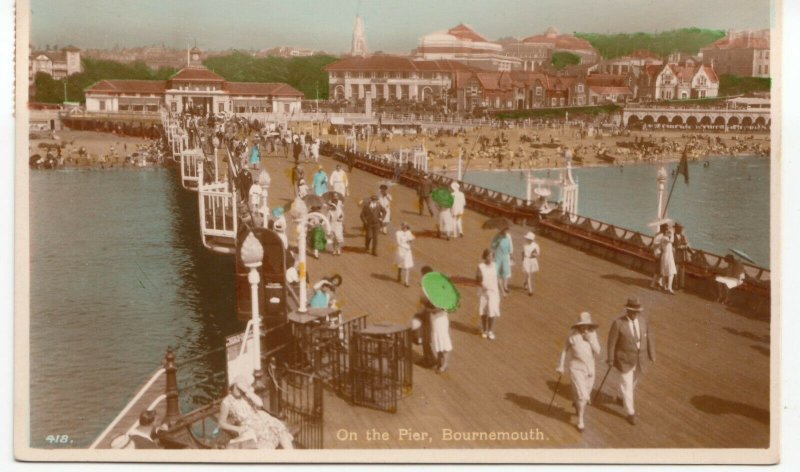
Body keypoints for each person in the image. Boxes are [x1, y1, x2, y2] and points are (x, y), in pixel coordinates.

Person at [606, 297, 655, 426]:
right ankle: (630, 412)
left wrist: (652, 354)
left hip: (640, 359)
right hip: (624, 360)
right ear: (627, 310)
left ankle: (621, 397)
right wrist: (610, 358)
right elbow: (611, 343)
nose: (635, 314)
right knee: (627, 386)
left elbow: (648, 337)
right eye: (632, 311)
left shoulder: (643, 322)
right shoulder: (618, 324)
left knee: (632, 383)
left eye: (637, 311)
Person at [218, 374, 294, 449]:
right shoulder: (227, 401)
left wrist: (246, 390)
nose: (239, 390)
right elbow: (221, 423)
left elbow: (260, 404)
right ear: (233, 386)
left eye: (241, 388)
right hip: (249, 425)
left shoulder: (246, 395)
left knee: (280, 430)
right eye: (237, 387)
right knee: (266, 441)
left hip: (262, 418)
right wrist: (237, 429)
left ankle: (292, 456)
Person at [556, 312, 601, 433]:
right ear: (578, 326)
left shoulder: (592, 334)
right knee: (583, 396)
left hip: (590, 369)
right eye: (582, 325)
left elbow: (598, 351)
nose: (584, 328)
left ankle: (576, 404)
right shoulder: (572, 335)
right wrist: (561, 365)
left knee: (584, 394)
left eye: (587, 325)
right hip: (576, 368)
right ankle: (581, 420)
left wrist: (590, 340)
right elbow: (565, 350)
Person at [476, 249, 501, 340]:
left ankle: (490, 331)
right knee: (484, 312)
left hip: (494, 293)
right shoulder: (480, 266)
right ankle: (484, 329)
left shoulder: (495, 266)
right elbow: (477, 279)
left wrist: (502, 290)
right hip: (483, 292)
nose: (490, 258)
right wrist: (482, 284)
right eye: (488, 256)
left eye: (491, 256)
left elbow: (497, 279)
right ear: (485, 257)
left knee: (492, 311)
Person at [425, 298, 452, 373]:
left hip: (441, 321)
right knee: (438, 342)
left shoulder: (445, 299)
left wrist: (431, 310)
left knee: (443, 342)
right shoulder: (433, 296)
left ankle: (445, 364)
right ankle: (439, 361)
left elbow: (440, 310)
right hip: (435, 321)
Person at [650, 223, 676, 294]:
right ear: (663, 228)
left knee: (661, 269)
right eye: (666, 228)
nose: (667, 230)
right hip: (659, 253)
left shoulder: (660, 235)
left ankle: (660, 284)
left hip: (661, 253)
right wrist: (662, 245)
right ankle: (653, 284)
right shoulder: (660, 235)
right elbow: (655, 244)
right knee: (659, 269)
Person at [491, 228, 513, 295]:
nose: (505, 232)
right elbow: (492, 245)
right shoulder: (497, 236)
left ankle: (505, 286)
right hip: (498, 256)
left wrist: (511, 254)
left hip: (505, 256)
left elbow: (510, 246)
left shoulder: (508, 236)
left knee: (505, 272)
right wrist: (497, 242)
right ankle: (501, 288)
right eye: (503, 230)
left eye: (506, 230)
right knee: (497, 272)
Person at [395, 222, 415, 287]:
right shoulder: (398, 233)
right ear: (401, 227)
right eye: (403, 227)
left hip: (407, 252)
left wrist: (409, 240)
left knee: (407, 266)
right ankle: (399, 275)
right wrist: (405, 245)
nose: (405, 228)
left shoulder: (409, 232)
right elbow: (398, 242)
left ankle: (406, 281)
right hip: (401, 250)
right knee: (400, 264)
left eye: (406, 227)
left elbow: (411, 239)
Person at [673, 223, 692, 291]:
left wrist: (691, 252)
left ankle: (681, 286)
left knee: (681, 272)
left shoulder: (683, 237)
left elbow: (686, 245)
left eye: (681, 229)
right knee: (675, 271)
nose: (681, 230)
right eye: (679, 228)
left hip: (682, 257)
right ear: (676, 228)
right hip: (675, 256)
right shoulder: (673, 236)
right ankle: (675, 285)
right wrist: (679, 247)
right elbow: (671, 246)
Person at [521, 231, 540, 296]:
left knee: (528, 274)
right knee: (528, 274)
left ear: (531, 239)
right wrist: (523, 259)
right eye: (527, 238)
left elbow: (537, 254)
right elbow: (523, 252)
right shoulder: (525, 245)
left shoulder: (535, 245)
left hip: (532, 261)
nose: (527, 240)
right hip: (526, 260)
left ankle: (525, 283)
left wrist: (534, 254)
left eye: (529, 239)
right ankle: (530, 290)